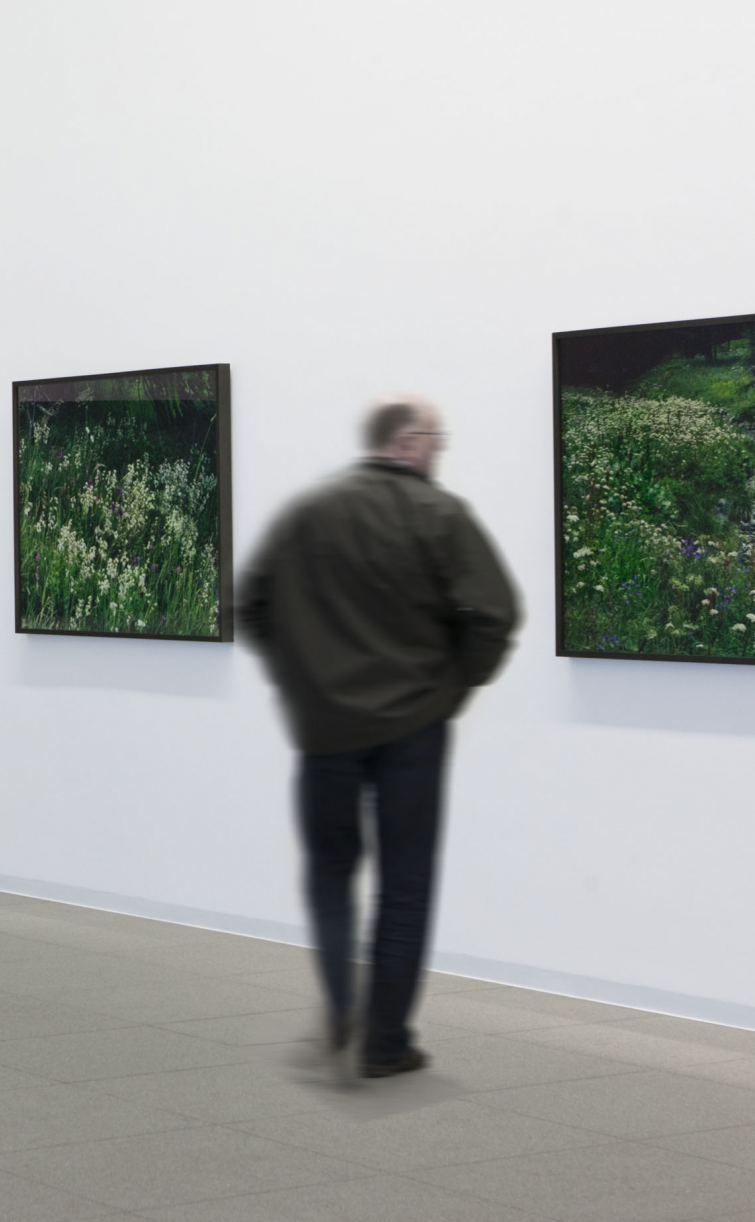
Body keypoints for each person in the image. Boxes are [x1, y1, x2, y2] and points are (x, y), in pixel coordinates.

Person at [238, 393, 519, 1077]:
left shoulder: (309, 512)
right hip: (414, 728)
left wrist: (301, 679)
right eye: (437, 436)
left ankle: (341, 1003)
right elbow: (496, 612)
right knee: (405, 884)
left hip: (325, 729)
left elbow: (250, 603)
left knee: (331, 876)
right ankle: (386, 1039)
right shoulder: (441, 514)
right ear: (408, 439)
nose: (441, 448)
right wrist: (453, 687)